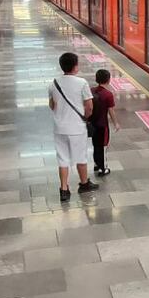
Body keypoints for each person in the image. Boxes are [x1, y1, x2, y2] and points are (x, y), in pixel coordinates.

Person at [49, 52, 100, 202]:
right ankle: (84, 184)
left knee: (63, 159)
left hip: (59, 128)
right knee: (81, 157)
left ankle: (64, 189)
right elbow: (89, 106)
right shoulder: (82, 83)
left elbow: (52, 105)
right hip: (77, 128)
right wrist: (86, 117)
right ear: (75, 66)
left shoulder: (54, 83)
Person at [90, 69, 120, 176]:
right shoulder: (108, 94)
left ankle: (96, 164)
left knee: (95, 144)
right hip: (103, 125)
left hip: (92, 124)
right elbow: (111, 111)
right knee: (103, 146)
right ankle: (102, 168)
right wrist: (116, 123)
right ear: (108, 80)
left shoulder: (91, 90)